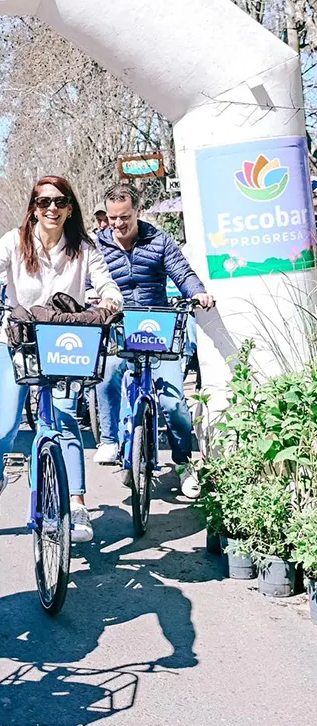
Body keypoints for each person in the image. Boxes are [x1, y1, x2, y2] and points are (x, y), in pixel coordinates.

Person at [0, 176, 123, 542]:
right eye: (43, 202)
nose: (51, 208)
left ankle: (78, 504)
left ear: (70, 208)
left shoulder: (84, 248)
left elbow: (106, 283)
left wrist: (112, 299)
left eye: (59, 202)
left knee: (65, 422)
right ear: (33, 208)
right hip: (19, 343)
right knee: (5, 427)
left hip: (66, 344)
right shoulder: (14, 241)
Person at [93, 183, 214, 497]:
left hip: (157, 328)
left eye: (125, 217)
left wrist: (197, 292)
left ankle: (184, 463)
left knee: (174, 404)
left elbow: (181, 272)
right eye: (112, 217)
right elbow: (82, 277)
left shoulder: (158, 241)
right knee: (105, 378)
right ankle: (109, 440)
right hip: (119, 327)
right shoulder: (96, 245)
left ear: (138, 211)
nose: (118, 224)